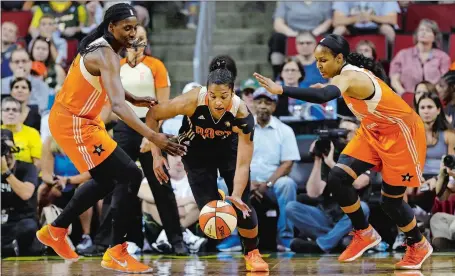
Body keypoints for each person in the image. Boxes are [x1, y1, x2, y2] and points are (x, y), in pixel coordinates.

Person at [254, 34, 433, 270]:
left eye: (324, 60)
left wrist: (281, 89)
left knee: (391, 203)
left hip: (401, 134)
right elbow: (329, 91)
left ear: (339, 58)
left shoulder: (350, 75)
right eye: (316, 60)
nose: (319, 65)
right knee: (337, 178)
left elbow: (323, 96)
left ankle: (418, 243)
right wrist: (325, 87)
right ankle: (364, 232)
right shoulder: (343, 76)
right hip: (373, 130)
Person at [35, 3, 185, 274]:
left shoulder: (105, 49)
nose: (132, 33)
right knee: (130, 175)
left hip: (82, 120)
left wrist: (134, 97)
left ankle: (55, 230)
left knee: (106, 179)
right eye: (126, 28)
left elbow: (107, 83)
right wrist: (154, 136)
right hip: (74, 123)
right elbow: (115, 106)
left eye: (135, 28)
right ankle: (116, 251)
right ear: (111, 27)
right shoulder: (106, 54)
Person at [146, 56, 269, 272]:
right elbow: (153, 114)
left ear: (233, 91)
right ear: (206, 90)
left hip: (228, 149)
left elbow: (242, 165)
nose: (218, 102)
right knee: (209, 215)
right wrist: (156, 155)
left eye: (224, 96)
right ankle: (219, 199)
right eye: (213, 96)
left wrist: (238, 195)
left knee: (244, 207)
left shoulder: (242, 114)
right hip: (196, 151)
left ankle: (252, 252)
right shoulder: (191, 100)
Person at [1, 129, 41, 257]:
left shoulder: (27, 168)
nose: (6, 153)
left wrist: (6, 172)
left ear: (14, 148)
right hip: (3, 222)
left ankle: (10, 247)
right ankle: (8, 247)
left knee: (28, 228)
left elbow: (25, 194)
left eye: (8, 148)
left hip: (21, 220)